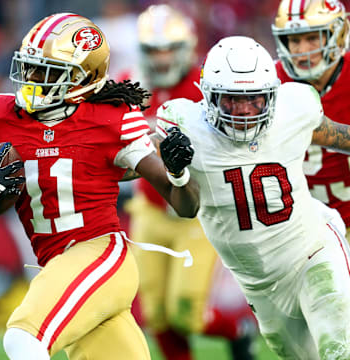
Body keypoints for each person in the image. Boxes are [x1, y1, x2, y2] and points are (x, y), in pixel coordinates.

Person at [0, 13, 199, 360]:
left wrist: (178, 172)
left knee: (24, 338)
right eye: (29, 67)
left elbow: (186, 207)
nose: (32, 80)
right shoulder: (1, 115)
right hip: (58, 265)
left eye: (47, 71)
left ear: (81, 79)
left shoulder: (110, 118)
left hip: (100, 255)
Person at [155, 35, 350, 359]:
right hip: (259, 285)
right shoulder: (186, 127)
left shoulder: (293, 110)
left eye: (255, 99)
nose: (245, 111)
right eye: (233, 100)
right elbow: (139, 168)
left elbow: (335, 135)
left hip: (312, 252)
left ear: (271, 95)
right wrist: (174, 170)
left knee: (339, 349)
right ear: (209, 97)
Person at [120, 5, 256, 360]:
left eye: (168, 48)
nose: (162, 58)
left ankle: (237, 331)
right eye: (153, 50)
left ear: (186, 47)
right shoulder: (126, 87)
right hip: (149, 208)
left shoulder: (205, 86)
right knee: (156, 315)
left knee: (186, 313)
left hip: (197, 212)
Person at [272, 0, 350, 238]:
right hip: (299, 228)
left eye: (313, 38)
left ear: (337, 36)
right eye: (294, 40)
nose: (301, 49)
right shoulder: (270, 82)